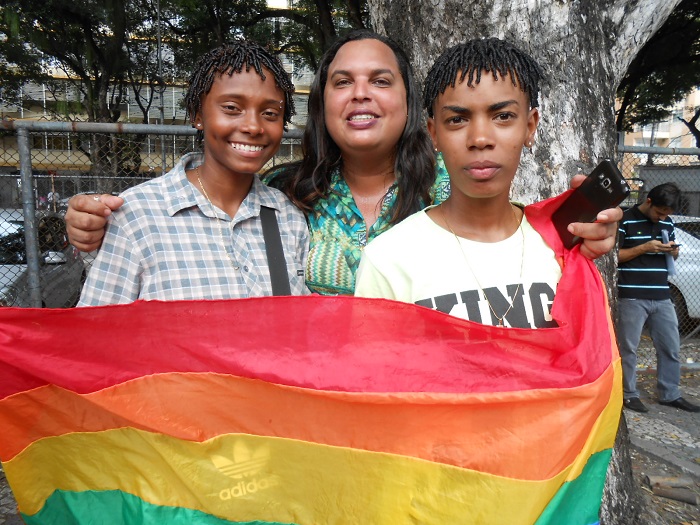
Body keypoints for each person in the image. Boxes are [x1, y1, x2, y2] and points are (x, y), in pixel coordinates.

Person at [67, 30, 621, 297]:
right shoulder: (281, 196)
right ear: (321, 105)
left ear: (413, 108)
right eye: (342, 82)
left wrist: (573, 234)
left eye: (381, 81)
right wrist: (93, 226)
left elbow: (511, 239)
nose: (361, 94)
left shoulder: (455, 187)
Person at [354, 38, 587, 329]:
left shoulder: (563, 245)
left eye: (503, 116)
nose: (479, 139)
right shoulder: (388, 260)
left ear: (530, 127)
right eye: (457, 120)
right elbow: (375, 370)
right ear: (433, 133)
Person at [78, 41, 309, 305]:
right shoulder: (137, 217)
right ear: (197, 114)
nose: (253, 126)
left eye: (270, 113)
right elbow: (96, 333)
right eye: (232, 108)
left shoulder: (288, 218)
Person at [617, 183, 699, 412]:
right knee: (628, 348)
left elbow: (675, 254)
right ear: (649, 201)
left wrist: (673, 251)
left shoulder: (667, 222)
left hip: (662, 295)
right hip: (631, 295)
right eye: (659, 212)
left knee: (671, 346)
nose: (662, 217)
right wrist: (644, 248)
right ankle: (628, 394)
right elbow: (614, 256)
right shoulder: (624, 219)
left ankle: (670, 393)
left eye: (667, 214)